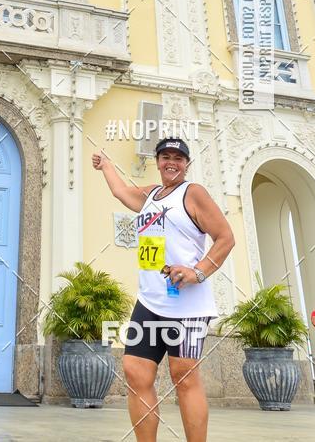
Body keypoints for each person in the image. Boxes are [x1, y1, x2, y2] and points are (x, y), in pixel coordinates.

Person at [92, 138, 235, 442]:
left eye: (178, 158)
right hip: (151, 300)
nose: (171, 162)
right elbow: (121, 192)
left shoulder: (193, 193)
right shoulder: (151, 196)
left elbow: (225, 238)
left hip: (187, 304)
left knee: (182, 374)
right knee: (134, 371)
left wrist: (198, 272)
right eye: (165, 157)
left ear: (186, 164)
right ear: (157, 161)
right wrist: (106, 166)